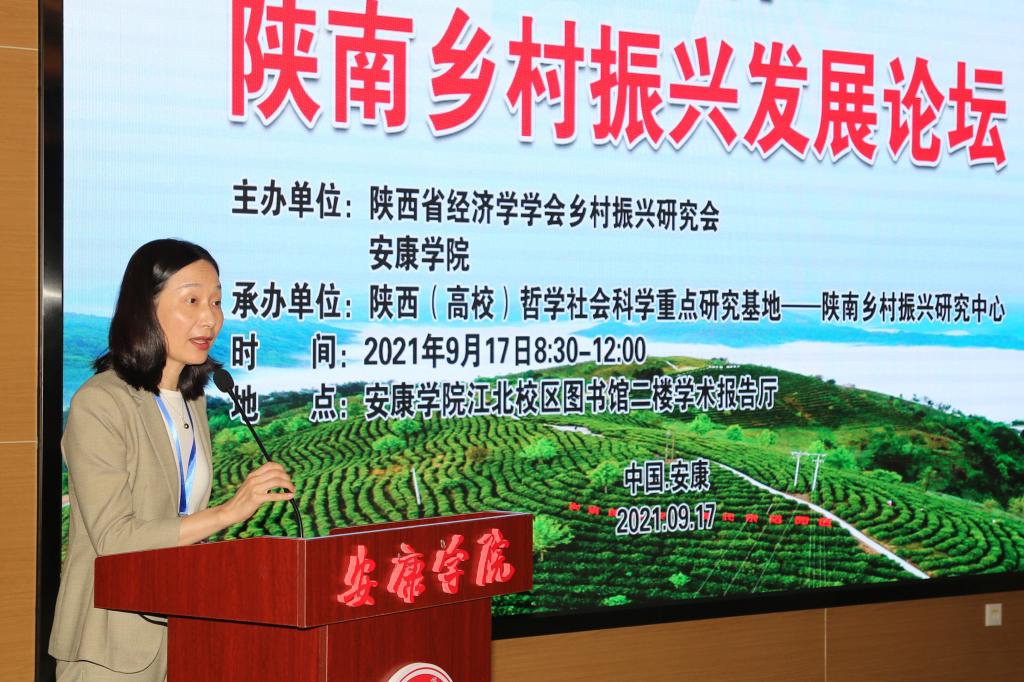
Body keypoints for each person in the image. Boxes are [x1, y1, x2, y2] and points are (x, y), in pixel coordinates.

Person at [49, 239, 296, 680]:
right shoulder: (100, 403)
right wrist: (228, 513)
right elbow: (115, 538)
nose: (211, 318)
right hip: (112, 643)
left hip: (185, 630)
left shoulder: (192, 399)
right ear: (146, 309)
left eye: (217, 301)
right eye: (192, 301)